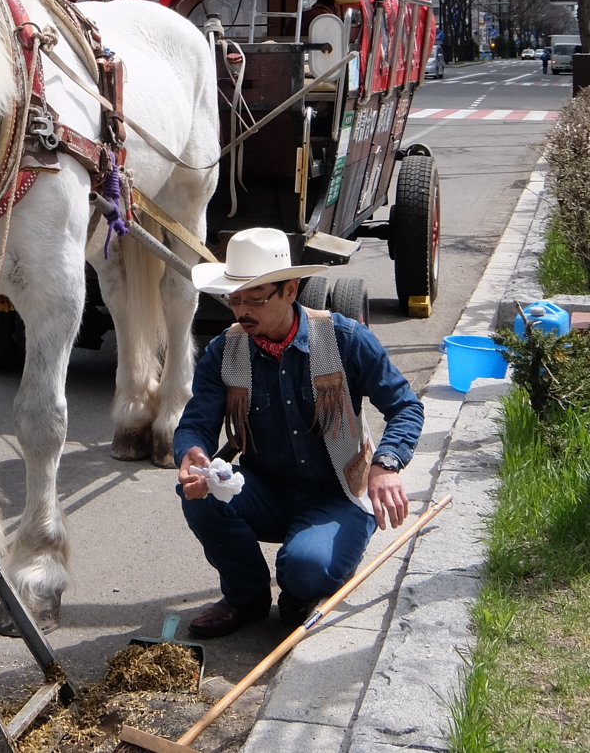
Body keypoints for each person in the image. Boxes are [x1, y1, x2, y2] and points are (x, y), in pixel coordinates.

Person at [175, 228, 424, 637]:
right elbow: (195, 424)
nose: (242, 311)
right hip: (264, 490)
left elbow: (405, 407)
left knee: (308, 569)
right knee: (198, 494)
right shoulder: (225, 350)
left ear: (290, 290)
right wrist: (191, 453)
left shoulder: (345, 338)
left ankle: (298, 587)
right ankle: (245, 598)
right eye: (234, 299)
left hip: (338, 494)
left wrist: (387, 463)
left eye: (255, 299)